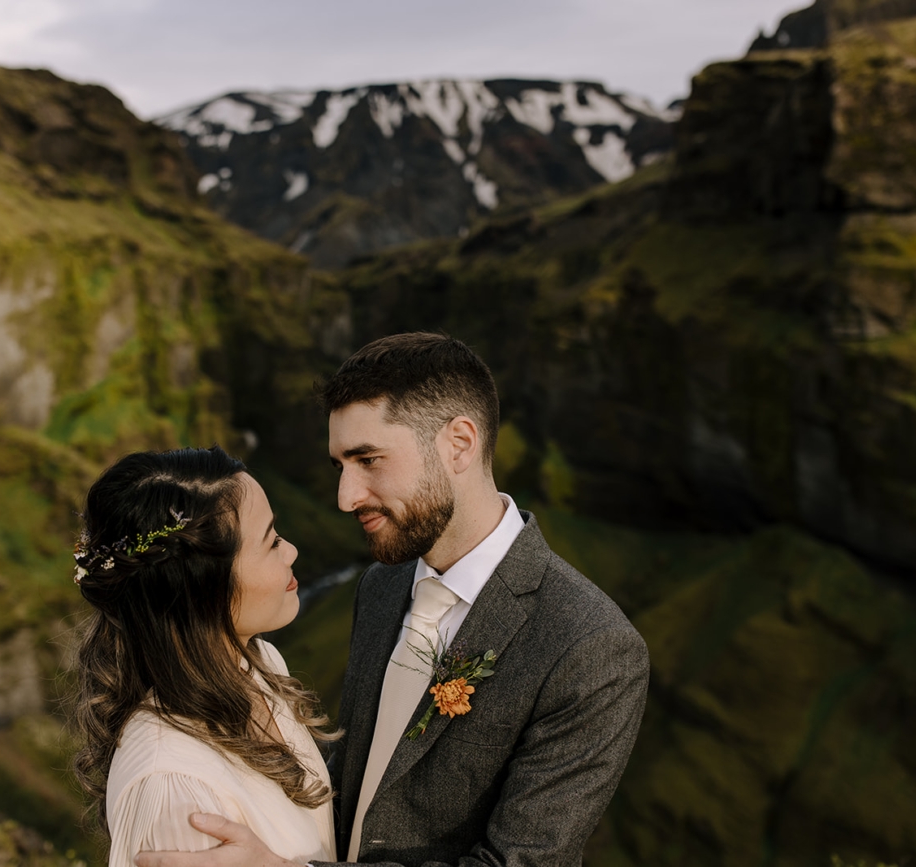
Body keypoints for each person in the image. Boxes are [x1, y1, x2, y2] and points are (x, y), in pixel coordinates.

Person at [136, 333, 649, 867]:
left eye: (369, 459)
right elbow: (361, 779)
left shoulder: (591, 647)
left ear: (459, 444)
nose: (345, 497)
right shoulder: (381, 585)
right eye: (340, 465)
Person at [70, 447, 338, 865]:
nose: (292, 552)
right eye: (271, 543)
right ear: (201, 590)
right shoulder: (176, 787)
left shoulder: (259, 665)